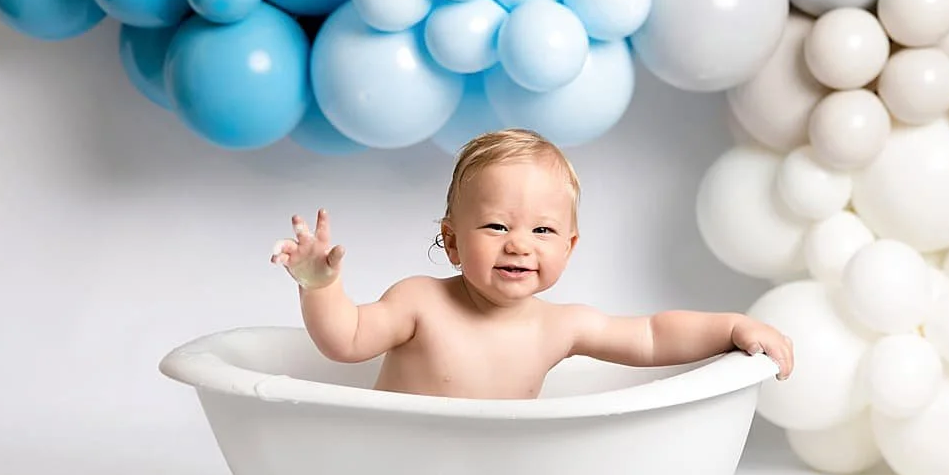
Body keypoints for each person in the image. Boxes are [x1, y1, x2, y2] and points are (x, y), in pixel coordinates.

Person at [271, 128, 792, 398]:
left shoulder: (560, 327)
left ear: (570, 246)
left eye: (543, 231)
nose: (519, 245)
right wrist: (320, 287)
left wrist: (733, 325)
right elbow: (346, 340)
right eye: (497, 226)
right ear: (452, 242)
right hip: (400, 469)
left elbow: (653, 336)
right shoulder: (419, 302)